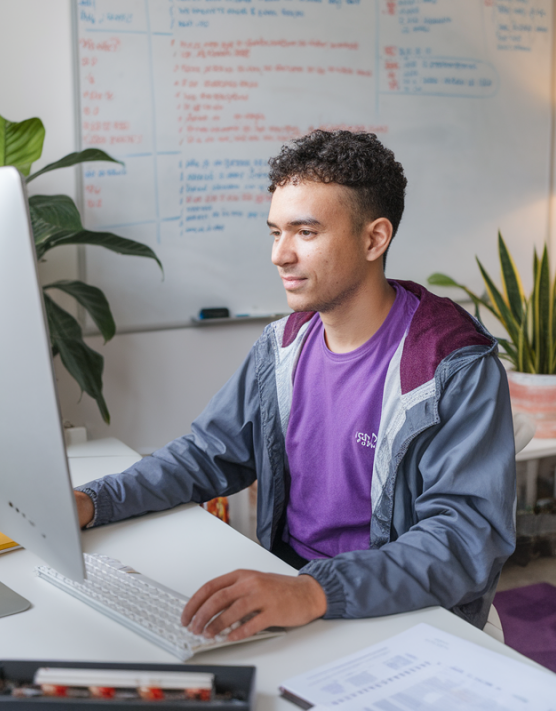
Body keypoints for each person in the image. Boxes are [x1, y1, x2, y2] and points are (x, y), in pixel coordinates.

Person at [73, 129, 516, 643]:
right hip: (294, 589)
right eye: (274, 232)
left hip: (398, 609)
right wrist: (92, 501)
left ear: (374, 239)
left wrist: (311, 592)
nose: (279, 256)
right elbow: (206, 454)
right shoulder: (282, 346)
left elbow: (464, 541)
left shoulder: (451, 365)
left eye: (305, 233)